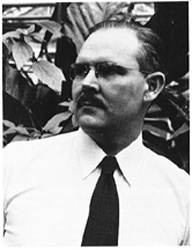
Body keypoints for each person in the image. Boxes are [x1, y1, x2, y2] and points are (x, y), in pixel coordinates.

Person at [3, 21, 189, 246]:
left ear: (151, 87)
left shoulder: (181, 194)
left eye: (108, 70)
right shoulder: (15, 166)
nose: (87, 83)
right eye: (81, 71)